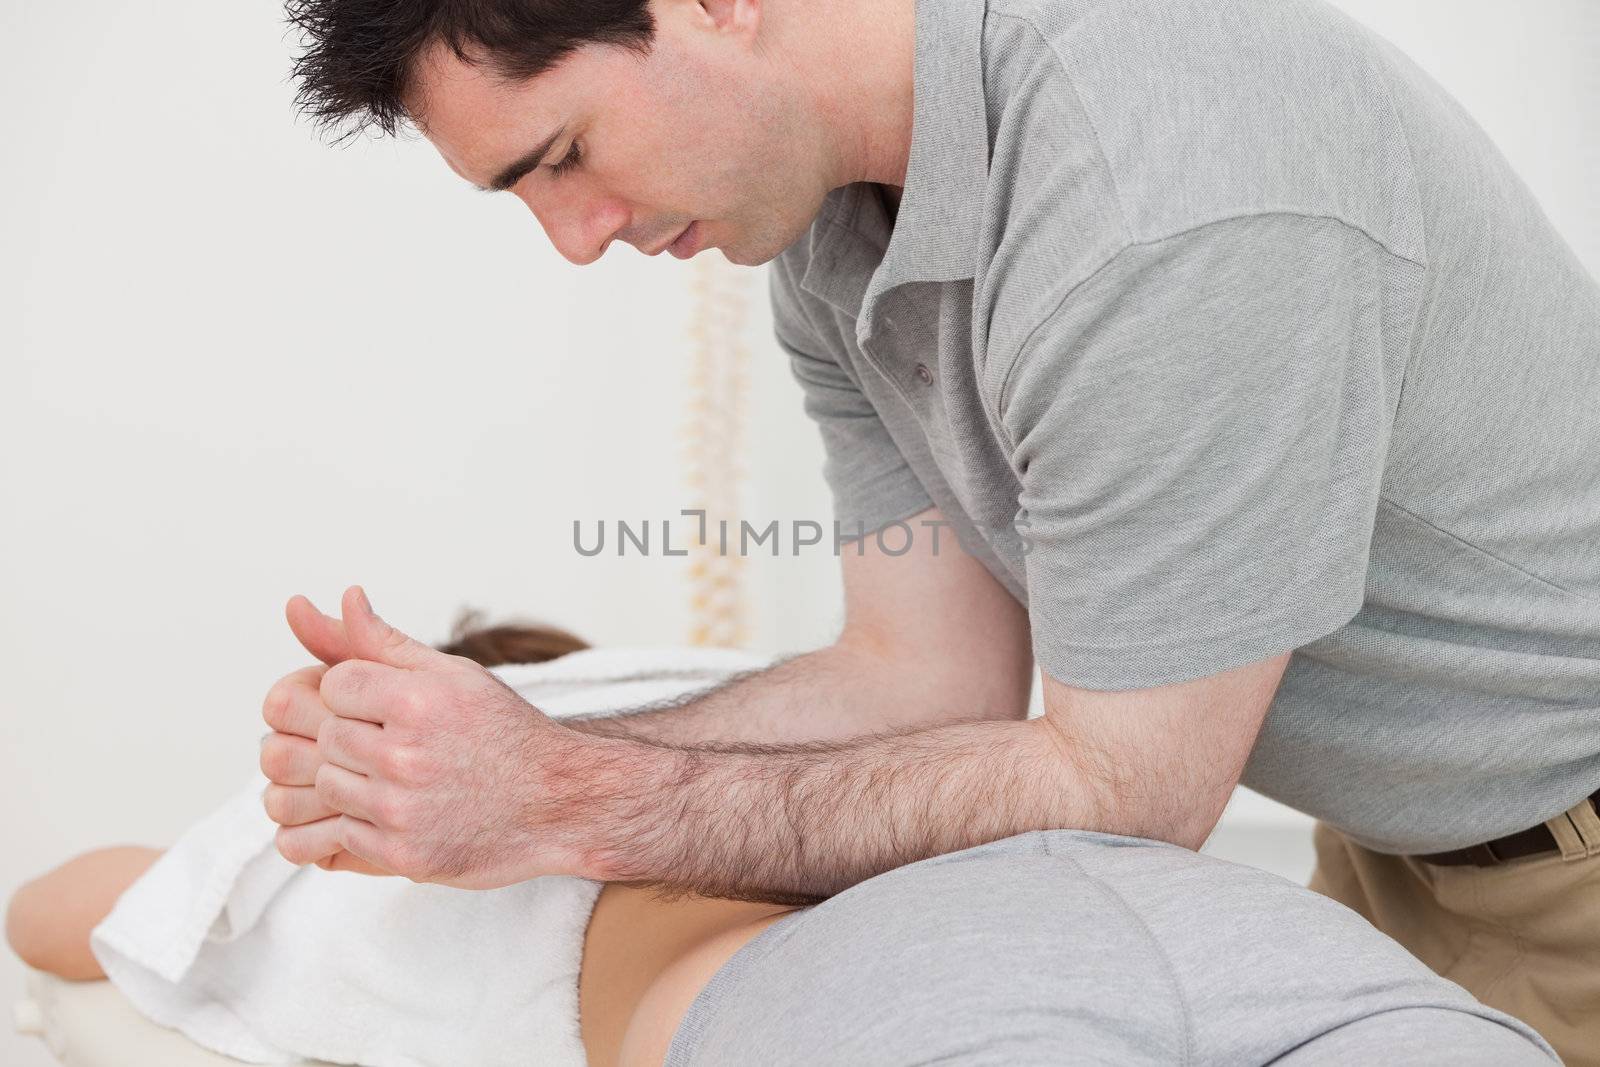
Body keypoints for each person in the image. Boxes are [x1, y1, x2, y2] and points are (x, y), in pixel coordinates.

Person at [268, 0, 1600, 1061]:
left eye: (565, 154)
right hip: (1397, 848)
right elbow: (918, 679)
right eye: (522, 193)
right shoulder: (830, 241)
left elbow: (1127, 795)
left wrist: (561, 801)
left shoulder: (1162, 190)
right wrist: (504, 755)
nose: (573, 238)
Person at [4, 617, 1562, 1066]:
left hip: (891, 995)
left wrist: (311, 780)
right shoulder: (749, 709)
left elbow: (60, 913)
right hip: (1218, 916)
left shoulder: (365, 849)